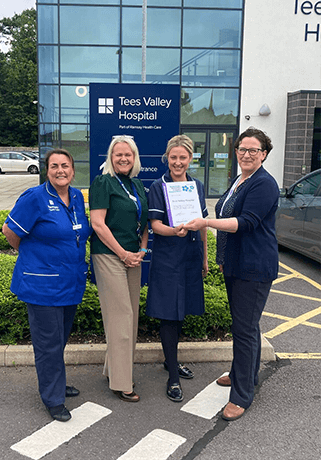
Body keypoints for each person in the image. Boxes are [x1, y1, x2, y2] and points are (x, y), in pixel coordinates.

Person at [185, 128, 279, 421]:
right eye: (242, 149)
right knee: (246, 326)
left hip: (254, 267)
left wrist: (206, 222)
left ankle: (241, 396)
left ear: (263, 154)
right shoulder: (240, 180)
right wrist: (223, 258)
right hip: (237, 265)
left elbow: (246, 223)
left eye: (253, 150)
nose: (247, 154)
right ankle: (245, 376)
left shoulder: (264, 184)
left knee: (244, 328)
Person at [2, 149, 91, 422]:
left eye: (65, 165)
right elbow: (10, 231)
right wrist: (33, 258)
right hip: (43, 287)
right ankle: (53, 399)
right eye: (54, 166)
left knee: (58, 340)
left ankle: (56, 381)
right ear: (47, 170)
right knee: (48, 344)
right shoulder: (35, 197)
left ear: (73, 170)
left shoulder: (76, 197)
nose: (60, 170)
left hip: (70, 282)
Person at [146, 134, 208, 402]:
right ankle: (172, 375)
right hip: (168, 258)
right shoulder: (157, 187)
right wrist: (175, 231)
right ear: (167, 158)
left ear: (190, 159)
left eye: (183, 157)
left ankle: (170, 359)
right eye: (174, 157)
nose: (178, 162)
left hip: (191, 256)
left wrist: (204, 257)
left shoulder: (198, 186)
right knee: (169, 315)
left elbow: (203, 223)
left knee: (181, 312)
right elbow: (155, 226)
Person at [89, 135, 148, 403]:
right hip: (109, 256)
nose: (123, 158)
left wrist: (141, 251)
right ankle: (122, 383)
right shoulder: (103, 182)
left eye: (128, 154)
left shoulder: (136, 185)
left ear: (134, 158)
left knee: (130, 317)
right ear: (110, 158)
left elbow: (144, 223)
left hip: (133, 257)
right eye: (118, 154)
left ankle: (113, 369)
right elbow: (98, 224)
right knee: (121, 316)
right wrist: (123, 253)